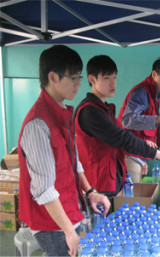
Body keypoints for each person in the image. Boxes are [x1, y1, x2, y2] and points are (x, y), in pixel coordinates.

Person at [18, 45, 108, 257]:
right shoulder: (38, 124)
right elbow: (43, 189)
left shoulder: (62, 114)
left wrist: (90, 191)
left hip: (70, 211)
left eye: (79, 77)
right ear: (53, 77)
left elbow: (73, 163)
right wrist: (68, 231)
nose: (79, 84)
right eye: (74, 77)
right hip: (52, 224)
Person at [75, 55, 160, 203]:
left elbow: (122, 135)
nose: (113, 83)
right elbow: (123, 137)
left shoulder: (105, 109)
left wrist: (143, 150)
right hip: (98, 184)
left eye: (114, 77)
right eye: (106, 78)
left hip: (110, 178)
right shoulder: (90, 112)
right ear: (92, 79)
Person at [120, 57, 160, 183]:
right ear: (154, 74)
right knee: (132, 198)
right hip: (130, 153)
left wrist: (144, 158)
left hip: (139, 153)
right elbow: (127, 120)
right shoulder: (142, 92)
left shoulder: (154, 94)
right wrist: (158, 119)